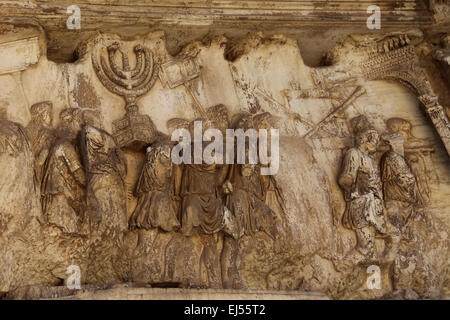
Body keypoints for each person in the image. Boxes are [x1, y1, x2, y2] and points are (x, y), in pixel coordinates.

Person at [338, 118, 385, 260]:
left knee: (371, 246)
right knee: (366, 246)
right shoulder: (354, 153)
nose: (376, 144)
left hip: (373, 203)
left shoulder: (370, 159)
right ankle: (346, 265)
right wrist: (358, 186)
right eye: (374, 140)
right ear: (365, 140)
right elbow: (346, 178)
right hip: (360, 202)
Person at [41, 108, 86, 234]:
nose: (81, 127)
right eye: (79, 123)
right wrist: (94, 183)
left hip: (56, 194)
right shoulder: (65, 146)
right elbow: (78, 173)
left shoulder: (59, 144)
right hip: (61, 195)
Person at [129, 142, 180, 232]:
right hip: (154, 187)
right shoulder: (157, 159)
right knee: (156, 200)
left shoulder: (159, 159)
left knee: (157, 200)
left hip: (158, 187)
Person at [25, 101, 56, 184]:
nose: (52, 117)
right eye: (49, 114)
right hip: (38, 167)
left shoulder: (50, 132)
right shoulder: (41, 132)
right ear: (42, 115)